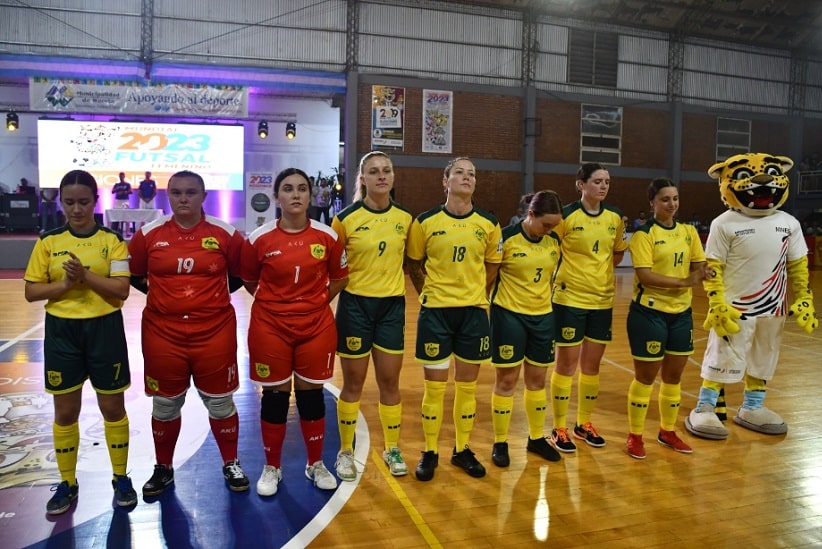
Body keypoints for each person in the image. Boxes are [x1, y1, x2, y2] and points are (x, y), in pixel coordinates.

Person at [128, 170, 250, 496]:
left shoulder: (226, 235)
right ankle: (163, 467)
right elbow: (136, 275)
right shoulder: (147, 235)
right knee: (165, 406)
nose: (184, 199)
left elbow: (238, 276)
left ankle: (231, 462)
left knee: (221, 403)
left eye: (191, 193)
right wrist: (167, 300)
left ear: (203, 196)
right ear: (168, 195)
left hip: (214, 333)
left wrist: (205, 301)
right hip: (162, 334)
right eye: (177, 193)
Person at [23, 169, 136, 515]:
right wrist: (65, 287)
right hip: (63, 333)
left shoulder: (112, 240)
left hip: (105, 330)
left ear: (95, 201)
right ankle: (68, 483)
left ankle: (120, 478)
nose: (76, 209)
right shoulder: (48, 242)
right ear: (60, 202)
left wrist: (85, 275)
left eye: (84, 201)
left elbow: (120, 291)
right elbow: (31, 292)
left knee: (113, 409)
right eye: (69, 202)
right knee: (66, 412)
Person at [241, 168, 349, 496]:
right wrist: (281, 306)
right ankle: (272, 467)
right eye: (288, 189)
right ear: (277, 197)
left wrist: (314, 303)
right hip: (270, 328)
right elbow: (249, 280)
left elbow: (340, 278)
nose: (296, 194)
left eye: (302, 188)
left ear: (310, 195)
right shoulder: (259, 239)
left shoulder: (327, 236)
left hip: (315, 328)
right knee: (274, 397)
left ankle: (314, 463)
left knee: (311, 396)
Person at [406, 157, 503, 481]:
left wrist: (476, 290)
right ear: (445, 181)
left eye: (472, 173)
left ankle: (462, 450)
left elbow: (493, 264)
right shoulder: (426, 221)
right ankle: (430, 450)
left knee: (467, 388)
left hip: (474, 313)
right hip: (436, 314)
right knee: (434, 390)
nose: (467, 177)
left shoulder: (489, 223)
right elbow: (414, 262)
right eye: (459, 172)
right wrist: (426, 294)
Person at [332, 152, 413, 481]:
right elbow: (333, 269)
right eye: (374, 172)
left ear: (393, 176)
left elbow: (414, 261)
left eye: (387, 171)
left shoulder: (406, 219)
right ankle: (345, 451)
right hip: (355, 307)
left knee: (390, 383)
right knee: (353, 384)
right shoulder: (346, 219)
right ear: (362, 178)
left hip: (391, 308)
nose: (382, 176)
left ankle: (392, 447)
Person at [625, 178, 708, 459]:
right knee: (646, 377)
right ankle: (635, 435)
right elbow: (645, 276)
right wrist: (686, 282)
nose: (671, 204)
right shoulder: (643, 234)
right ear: (652, 203)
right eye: (664, 199)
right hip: (649, 313)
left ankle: (667, 431)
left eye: (674, 198)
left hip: (681, 314)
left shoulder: (688, 232)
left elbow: (700, 265)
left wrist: (707, 274)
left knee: (673, 377)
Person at [550, 162, 628, 453]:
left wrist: (598, 274)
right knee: (566, 365)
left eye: (607, 181)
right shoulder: (566, 215)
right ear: (581, 184)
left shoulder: (615, 217)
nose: (604, 186)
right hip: (569, 300)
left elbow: (617, 252)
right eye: (597, 181)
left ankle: (583, 423)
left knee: (591, 366)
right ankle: (558, 427)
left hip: (602, 300)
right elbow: (549, 249)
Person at [489, 191, 564, 467]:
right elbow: (489, 278)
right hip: (508, 316)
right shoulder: (506, 238)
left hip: (543, 317)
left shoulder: (553, 242)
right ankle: (500, 441)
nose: (550, 230)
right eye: (546, 225)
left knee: (536, 382)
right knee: (506, 382)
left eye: (554, 226)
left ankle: (535, 438)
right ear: (530, 215)